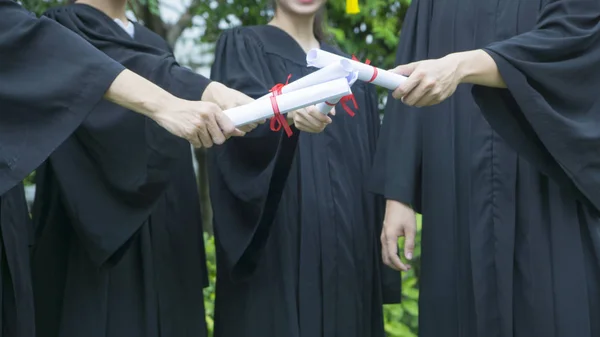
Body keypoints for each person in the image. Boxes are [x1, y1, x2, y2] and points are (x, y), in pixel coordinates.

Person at [0, 1, 242, 336]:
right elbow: (106, 67)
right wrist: (192, 92)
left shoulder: (153, 41)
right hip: (95, 230)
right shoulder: (61, 25)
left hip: (166, 227)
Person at [371, 0, 600, 336]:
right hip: (454, 170)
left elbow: (573, 41)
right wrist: (398, 193)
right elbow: (409, 69)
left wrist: (463, 65)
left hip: (544, 171)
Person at [208, 0, 402, 336]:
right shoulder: (243, 45)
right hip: (278, 241)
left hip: (348, 248)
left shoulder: (351, 69)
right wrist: (285, 112)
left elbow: (374, 160)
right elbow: (235, 131)